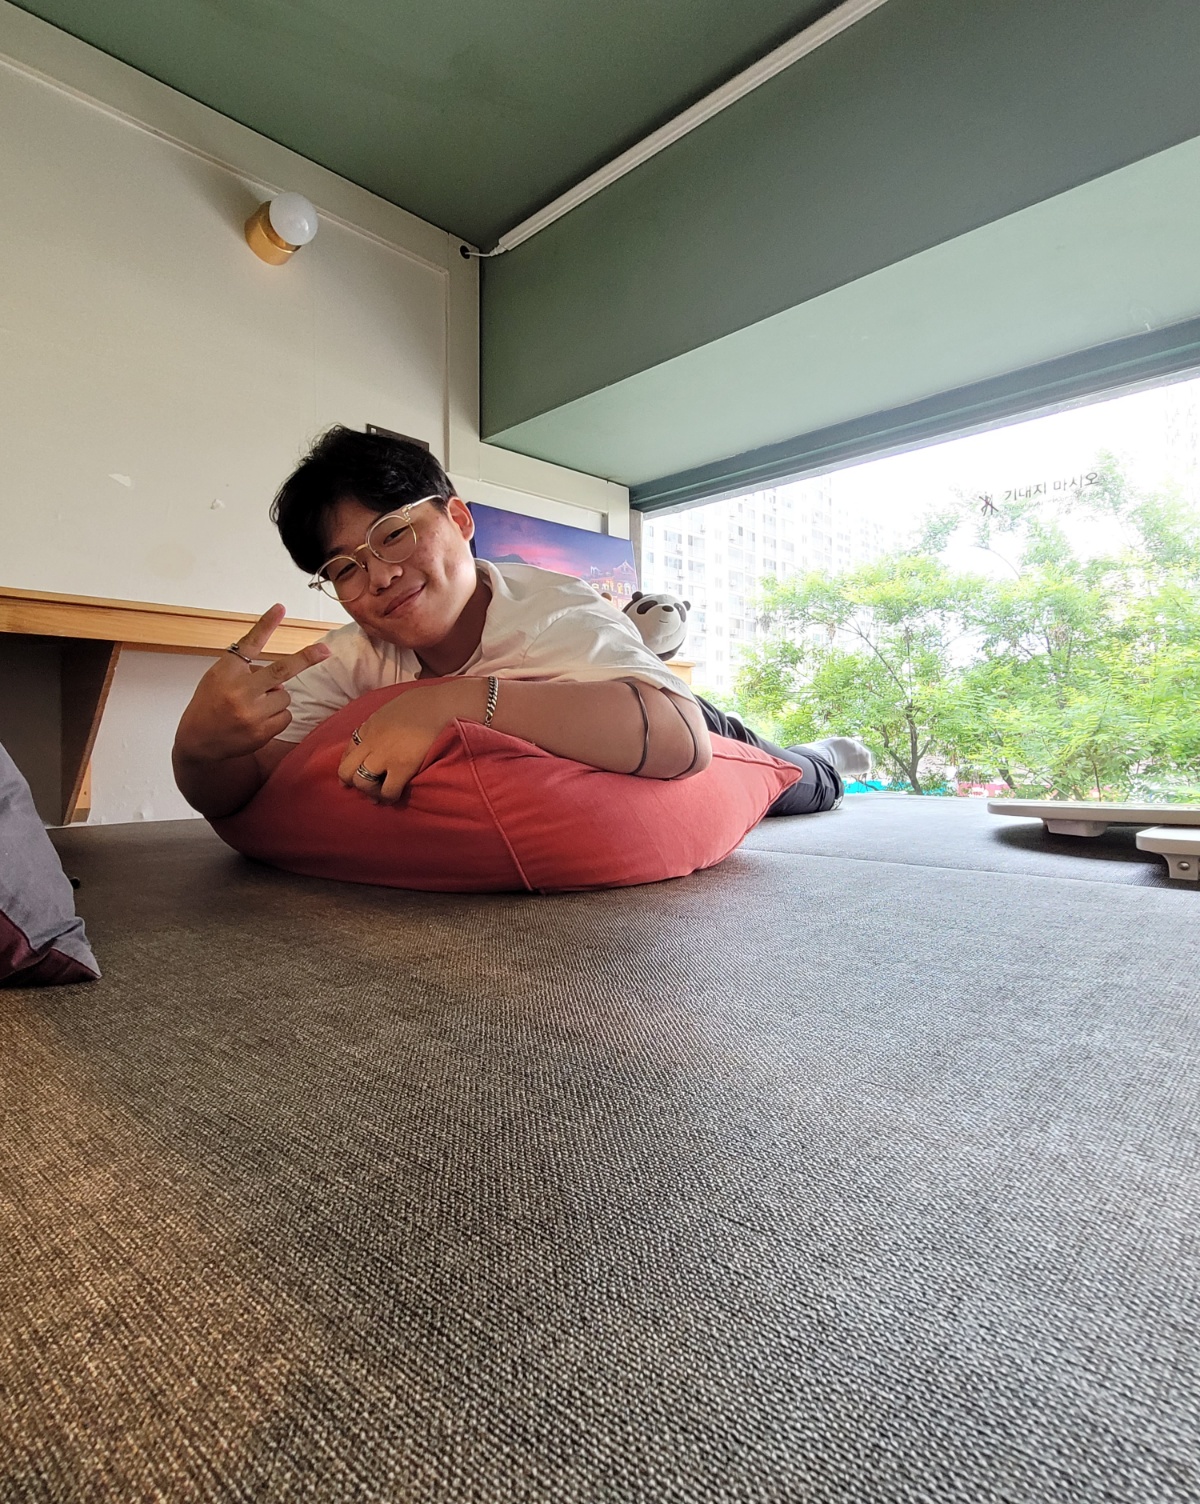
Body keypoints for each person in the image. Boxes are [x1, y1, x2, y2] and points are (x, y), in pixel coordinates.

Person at [172, 428, 865, 820]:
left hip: (659, 703)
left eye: (394, 533)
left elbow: (683, 741)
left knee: (794, 780)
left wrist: (452, 701)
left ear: (458, 519)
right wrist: (198, 749)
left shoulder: (551, 608)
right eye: (343, 568)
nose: (377, 575)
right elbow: (243, 792)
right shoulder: (353, 656)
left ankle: (829, 755)